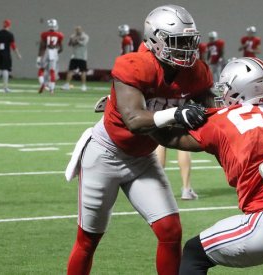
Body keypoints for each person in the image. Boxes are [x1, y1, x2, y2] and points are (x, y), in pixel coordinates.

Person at [65, 5, 215, 275]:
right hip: (105, 153)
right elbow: (135, 121)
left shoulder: (196, 71)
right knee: (88, 239)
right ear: (155, 39)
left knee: (170, 230)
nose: (186, 49)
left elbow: (215, 115)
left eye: (189, 41)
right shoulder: (133, 64)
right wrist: (177, 113)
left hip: (142, 157)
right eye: (178, 42)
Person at [150, 57, 263, 275]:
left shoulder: (222, 118)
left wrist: (154, 114)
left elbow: (170, 139)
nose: (221, 95)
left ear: (238, 89)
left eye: (225, 88)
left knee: (194, 252)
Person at [0, 19, 21, 93]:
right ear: (9, 25)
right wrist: (18, 54)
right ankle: (5, 87)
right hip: (6, 54)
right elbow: (13, 46)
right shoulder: (10, 35)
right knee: (5, 70)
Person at [37, 19, 64, 94]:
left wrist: (39, 57)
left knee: (41, 70)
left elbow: (42, 46)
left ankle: (42, 83)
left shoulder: (44, 34)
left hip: (47, 51)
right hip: (54, 52)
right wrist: (56, 53)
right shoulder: (60, 35)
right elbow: (61, 48)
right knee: (52, 71)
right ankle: (52, 89)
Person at [61, 26, 89, 92]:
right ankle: (67, 84)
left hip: (82, 57)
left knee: (83, 71)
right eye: (76, 30)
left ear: (81, 30)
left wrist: (76, 40)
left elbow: (83, 43)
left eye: (79, 29)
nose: (78, 31)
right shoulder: (72, 36)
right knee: (70, 70)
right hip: (74, 56)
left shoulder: (85, 36)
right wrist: (72, 41)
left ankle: (83, 85)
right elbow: (69, 44)